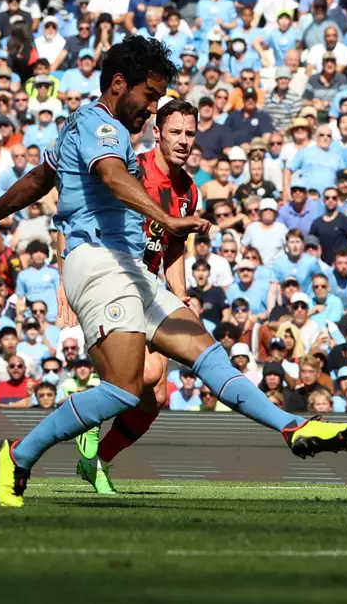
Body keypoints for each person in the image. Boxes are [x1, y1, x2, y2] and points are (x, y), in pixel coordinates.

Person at [0, 36, 347, 507]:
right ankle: (20, 455)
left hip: (133, 269)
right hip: (97, 263)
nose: (152, 108)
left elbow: (40, 179)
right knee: (125, 389)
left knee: (208, 354)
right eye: (148, 96)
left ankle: (291, 426)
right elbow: (112, 177)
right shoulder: (100, 126)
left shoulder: (86, 127)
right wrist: (165, 218)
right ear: (119, 85)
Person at [75, 97, 202, 495]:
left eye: (190, 133)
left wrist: (182, 296)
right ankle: (89, 415)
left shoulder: (188, 190)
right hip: (117, 278)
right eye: (176, 132)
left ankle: (98, 462)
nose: (184, 140)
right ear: (157, 133)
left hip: (153, 287)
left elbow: (173, 245)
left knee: (157, 395)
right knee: (145, 375)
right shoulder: (133, 168)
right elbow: (87, 209)